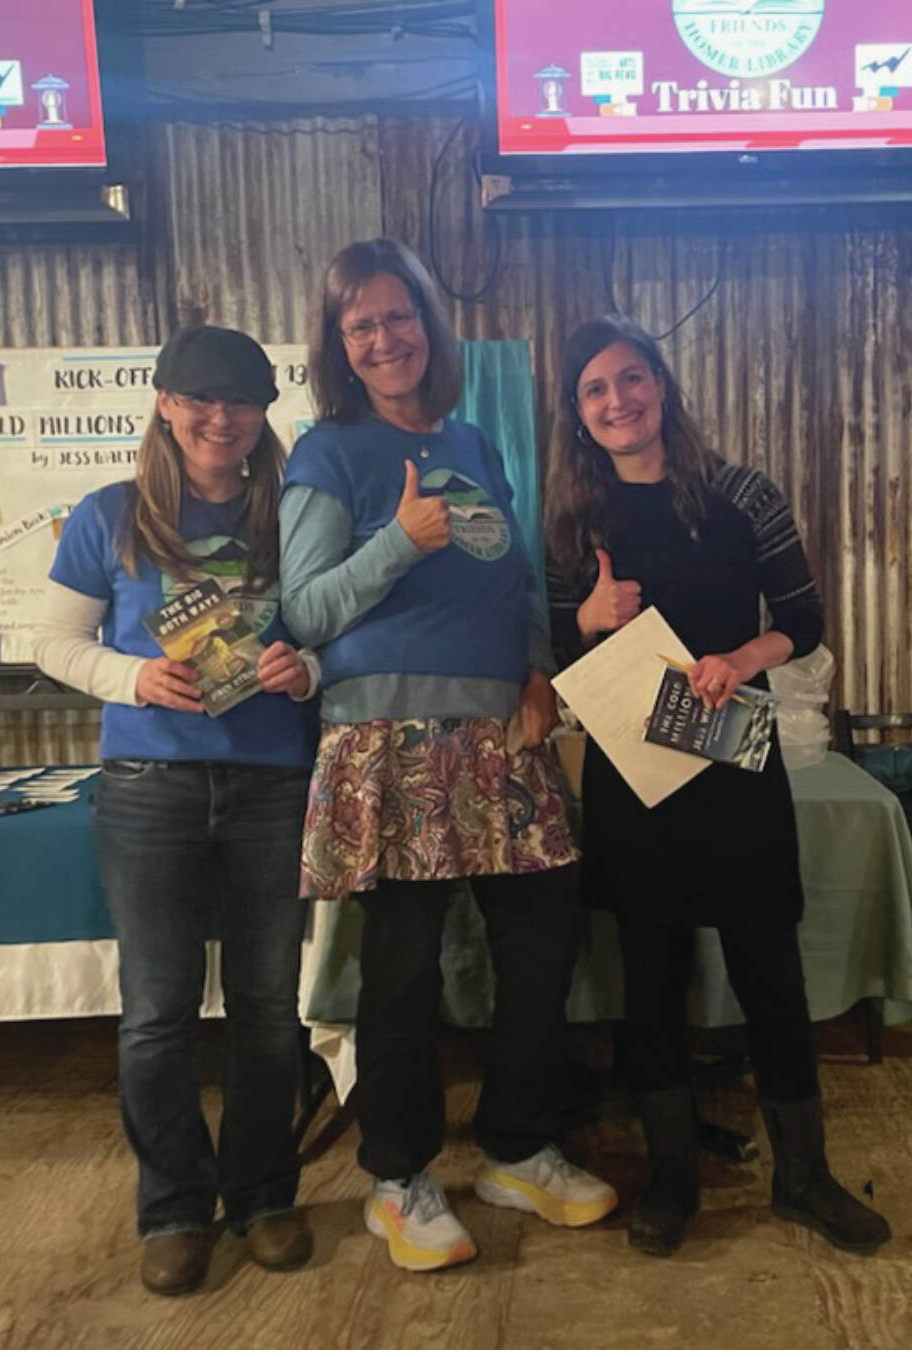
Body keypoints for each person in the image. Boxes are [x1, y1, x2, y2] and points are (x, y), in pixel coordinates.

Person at [279, 238, 617, 1272]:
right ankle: (399, 1175)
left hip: (500, 732)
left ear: (430, 320)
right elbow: (304, 606)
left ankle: (517, 1146)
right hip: (389, 741)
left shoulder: (476, 438)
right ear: (340, 346)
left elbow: (515, 583)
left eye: (399, 315)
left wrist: (535, 669)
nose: (385, 338)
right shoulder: (327, 451)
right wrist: (401, 538)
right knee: (403, 969)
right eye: (361, 325)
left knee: (542, 938)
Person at [544, 314, 891, 1259]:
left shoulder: (743, 494)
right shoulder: (574, 519)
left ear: (661, 383)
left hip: (735, 750)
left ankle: (804, 1178)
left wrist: (742, 655)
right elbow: (545, 645)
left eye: (631, 379)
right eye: (595, 391)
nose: (618, 401)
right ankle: (671, 1179)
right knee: (647, 979)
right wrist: (585, 615)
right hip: (634, 771)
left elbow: (806, 619)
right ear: (578, 415)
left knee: (769, 971)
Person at [32, 326, 321, 1295]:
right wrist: (134, 678)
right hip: (149, 791)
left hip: (273, 786)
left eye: (241, 400)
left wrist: (306, 665)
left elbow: (340, 635)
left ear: (263, 413)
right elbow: (55, 643)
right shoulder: (111, 515)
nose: (221, 417)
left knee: (269, 1011)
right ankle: (173, 1206)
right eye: (200, 397)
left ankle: (264, 1194)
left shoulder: (296, 514)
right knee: (156, 1015)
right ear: (163, 402)